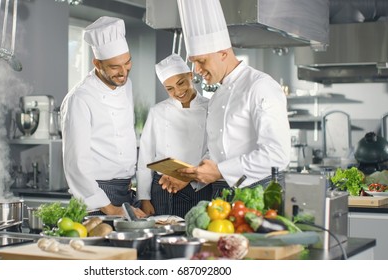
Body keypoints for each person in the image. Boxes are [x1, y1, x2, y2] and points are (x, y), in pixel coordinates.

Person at [161, 0, 291, 196]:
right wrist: (189, 175)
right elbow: (216, 154)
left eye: (201, 61)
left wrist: (221, 171)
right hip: (222, 194)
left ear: (223, 53)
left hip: (260, 194)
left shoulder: (260, 86)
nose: (196, 71)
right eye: (193, 62)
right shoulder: (216, 97)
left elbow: (277, 155)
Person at [60, 16, 146, 218]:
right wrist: (110, 208)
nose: (123, 72)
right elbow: (76, 163)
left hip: (125, 189)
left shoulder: (126, 84)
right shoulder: (80, 98)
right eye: (115, 67)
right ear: (97, 63)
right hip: (97, 195)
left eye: (127, 63)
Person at [136, 54, 213, 218]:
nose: (178, 91)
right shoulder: (158, 111)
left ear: (191, 76)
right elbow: (145, 156)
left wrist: (192, 176)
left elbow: (214, 150)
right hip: (163, 187)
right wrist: (144, 198)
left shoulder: (211, 108)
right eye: (169, 88)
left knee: (195, 234)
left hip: (197, 186)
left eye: (181, 83)